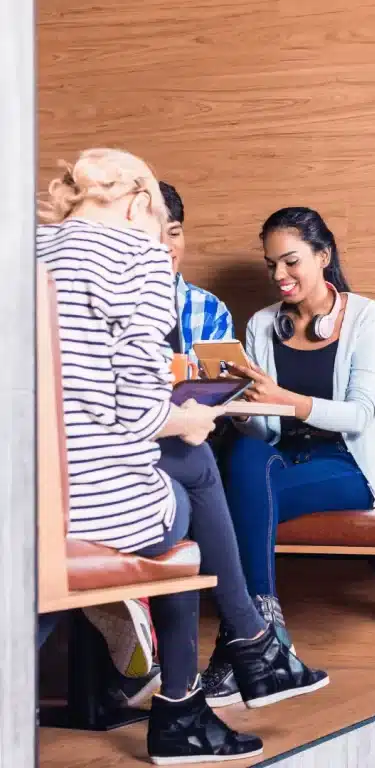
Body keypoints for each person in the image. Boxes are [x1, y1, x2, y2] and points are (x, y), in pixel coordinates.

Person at [37, 149, 328, 764]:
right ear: (142, 203)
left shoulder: (29, 249)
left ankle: (223, 670)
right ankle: (236, 658)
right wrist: (191, 418)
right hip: (95, 508)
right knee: (192, 470)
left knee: (180, 474)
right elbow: (142, 409)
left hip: (30, 500)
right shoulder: (136, 260)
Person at [201, 207, 375, 707]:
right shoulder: (263, 325)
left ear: (323, 256)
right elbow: (266, 430)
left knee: (239, 501)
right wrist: (239, 406)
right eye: (270, 266)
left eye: (290, 262)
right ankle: (265, 650)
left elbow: (360, 416)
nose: (279, 276)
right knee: (244, 450)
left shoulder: (367, 316)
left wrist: (285, 397)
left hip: (346, 465)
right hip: (282, 459)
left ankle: (244, 648)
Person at [159, 181, 234, 362]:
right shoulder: (107, 305)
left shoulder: (211, 309)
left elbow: (223, 386)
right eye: (154, 235)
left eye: (174, 233)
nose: (166, 247)